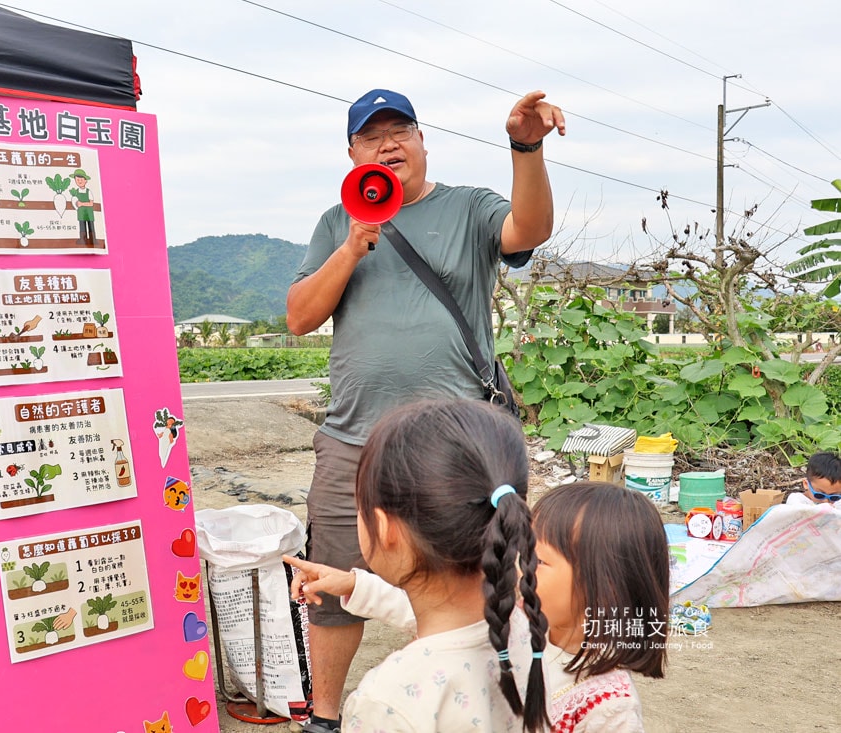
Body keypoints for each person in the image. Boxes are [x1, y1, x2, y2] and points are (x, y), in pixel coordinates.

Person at [285, 87, 565, 731]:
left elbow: (530, 230)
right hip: (355, 439)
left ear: (421, 141)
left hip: (456, 443)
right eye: (371, 135)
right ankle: (324, 718)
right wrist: (354, 244)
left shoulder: (466, 207)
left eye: (400, 130)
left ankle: (486, 697)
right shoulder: (336, 222)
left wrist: (525, 147)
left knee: (471, 574)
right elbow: (300, 316)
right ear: (353, 153)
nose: (389, 143)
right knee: (333, 580)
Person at [285, 398, 549, 733]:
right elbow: (436, 609)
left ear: (384, 529)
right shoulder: (531, 630)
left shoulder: (386, 702)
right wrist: (355, 585)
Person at [532, 481, 669, 731]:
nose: (519, 568)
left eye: (538, 560)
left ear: (605, 589)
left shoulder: (611, 709)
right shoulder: (525, 632)